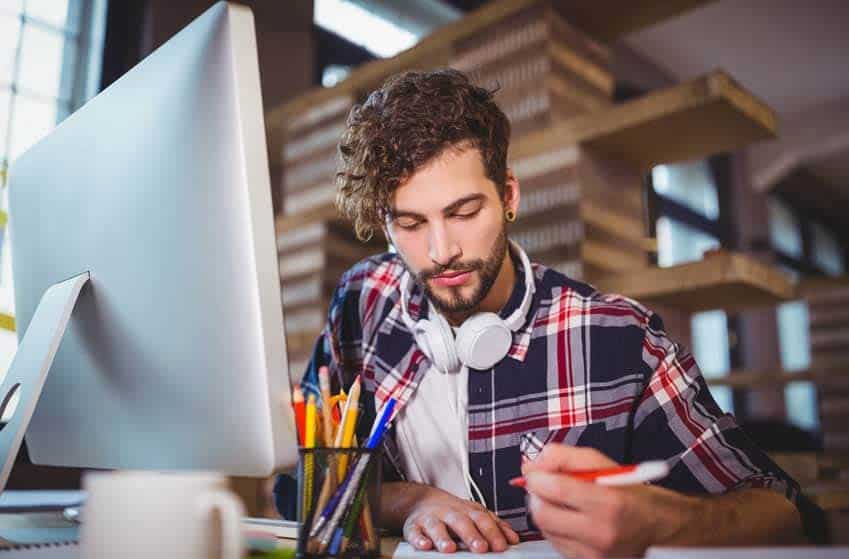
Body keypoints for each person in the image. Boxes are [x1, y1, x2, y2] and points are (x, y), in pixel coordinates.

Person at [286, 69, 808, 557]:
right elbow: (300, 488)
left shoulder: (618, 338)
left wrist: (662, 523)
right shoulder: (362, 299)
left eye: (464, 212)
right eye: (410, 223)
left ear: (508, 194)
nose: (441, 250)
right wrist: (410, 501)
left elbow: (787, 513)